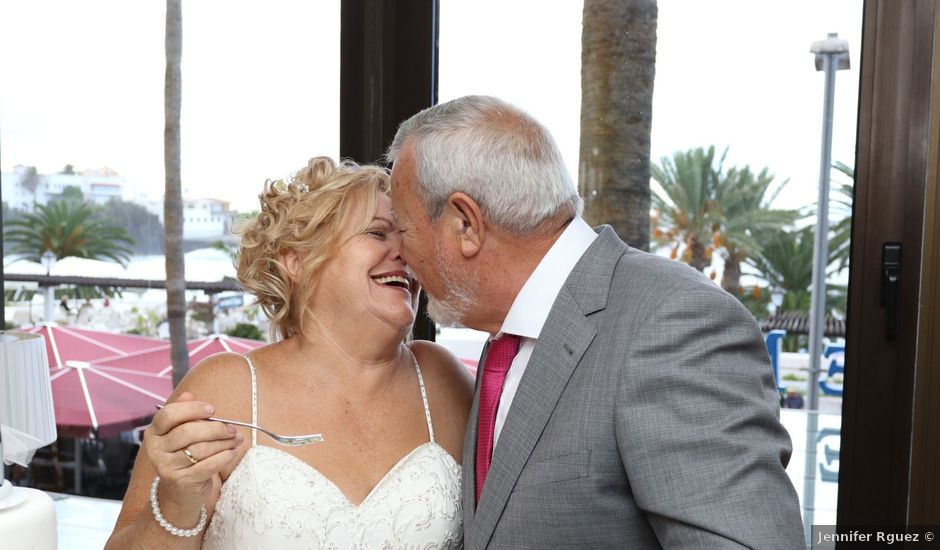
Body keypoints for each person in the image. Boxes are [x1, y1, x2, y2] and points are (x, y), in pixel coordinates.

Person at [386, 95, 806, 549]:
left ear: (465, 223)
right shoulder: (506, 334)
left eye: (404, 230)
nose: (402, 257)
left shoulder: (674, 323)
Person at [107, 157, 472, 549]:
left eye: (405, 237)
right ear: (297, 261)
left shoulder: (438, 379)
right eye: (378, 233)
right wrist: (177, 501)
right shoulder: (225, 390)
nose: (404, 253)